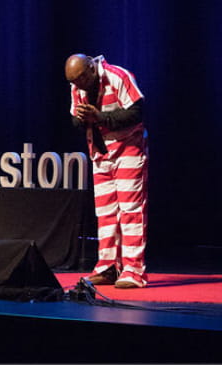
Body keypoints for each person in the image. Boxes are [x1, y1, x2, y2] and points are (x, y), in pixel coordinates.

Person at [64, 53, 148, 289]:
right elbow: (74, 120)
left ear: (92, 68)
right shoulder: (77, 86)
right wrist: (81, 119)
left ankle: (134, 271)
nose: (78, 86)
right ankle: (108, 268)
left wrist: (99, 117)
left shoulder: (118, 76)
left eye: (81, 79)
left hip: (128, 148)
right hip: (100, 153)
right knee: (106, 213)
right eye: (74, 82)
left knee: (130, 210)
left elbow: (136, 113)